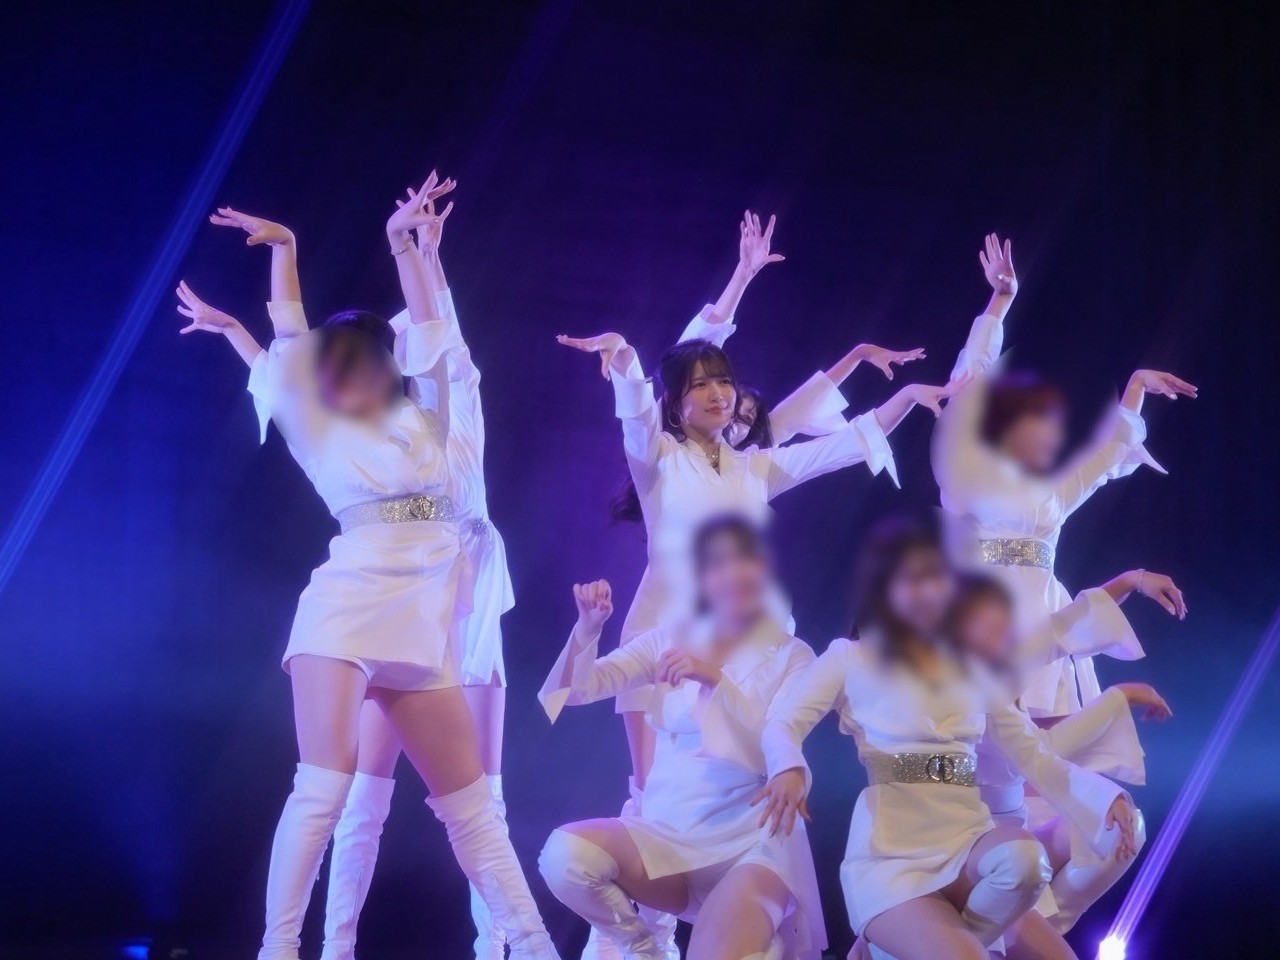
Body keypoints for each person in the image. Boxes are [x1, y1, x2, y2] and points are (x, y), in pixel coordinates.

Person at [177, 172, 557, 960]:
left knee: (474, 812)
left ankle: (533, 947)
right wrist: (285, 250)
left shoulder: (429, 418)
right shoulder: (315, 424)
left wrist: (403, 245)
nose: (352, 367)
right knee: (325, 787)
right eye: (337, 359)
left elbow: (435, 329)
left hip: (423, 622)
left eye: (370, 355)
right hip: (346, 609)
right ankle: (282, 949)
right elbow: (287, 336)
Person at [756, 514, 1140, 960]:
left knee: (1025, 863)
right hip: (893, 858)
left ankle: (894, 953)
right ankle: (905, 941)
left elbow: (1033, 753)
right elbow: (782, 723)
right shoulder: (850, 658)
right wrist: (788, 769)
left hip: (968, 844)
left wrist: (1103, 797)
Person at [932, 232, 1197, 720]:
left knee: (1048, 747)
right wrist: (1000, 301)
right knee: (988, 742)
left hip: (1048, 622)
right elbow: (969, 383)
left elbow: (1109, 455)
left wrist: (1137, 384)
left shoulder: (1055, 493)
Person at [538, 515, 826, 960]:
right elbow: (579, 689)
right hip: (668, 838)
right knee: (565, 855)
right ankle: (644, 948)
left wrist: (714, 679)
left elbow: (775, 744)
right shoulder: (668, 640)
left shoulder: (794, 656)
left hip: (752, 844)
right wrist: (588, 630)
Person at [947, 571, 1176, 956]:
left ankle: (1027, 929)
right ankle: (1007, 933)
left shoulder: (999, 668)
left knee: (1121, 829)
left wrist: (1133, 581)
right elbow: (1038, 753)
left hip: (1016, 839)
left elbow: (1063, 629)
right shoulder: (957, 691)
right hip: (972, 853)